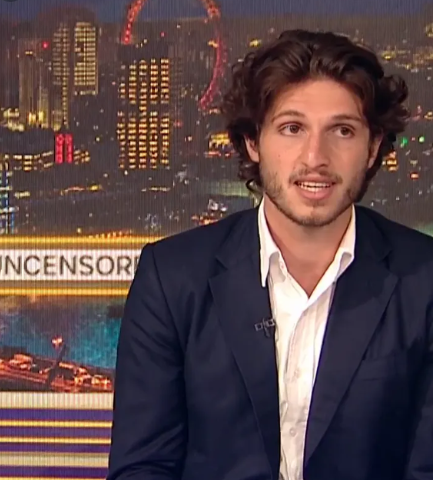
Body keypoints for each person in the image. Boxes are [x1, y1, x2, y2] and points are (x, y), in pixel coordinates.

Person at [107, 29, 433, 480]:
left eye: (342, 131)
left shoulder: (424, 281)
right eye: (292, 128)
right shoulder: (172, 278)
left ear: (373, 146)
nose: (315, 157)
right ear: (253, 142)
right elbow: (142, 467)